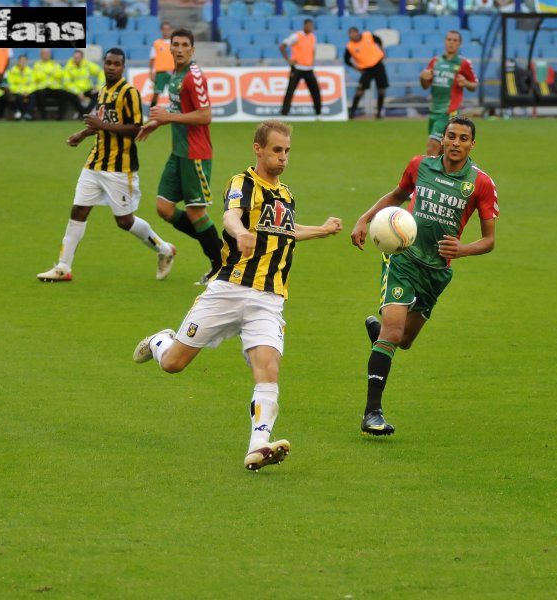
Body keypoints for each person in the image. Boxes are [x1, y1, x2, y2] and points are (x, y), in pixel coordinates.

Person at [133, 120, 343, 471]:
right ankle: (158, 341)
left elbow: (284, 231)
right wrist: (240, 232)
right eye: (276, 150)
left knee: (269, 370)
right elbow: (230, 216)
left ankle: (259, 444)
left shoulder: (286, 195)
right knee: (173, 364)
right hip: (229, 290)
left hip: (270, 299)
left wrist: (321, 230)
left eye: (287, 151)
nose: (283, 157)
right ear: (258, 148)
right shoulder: (242, 183)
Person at [349, 117, 498, 436]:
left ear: (473, 144)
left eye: (463, 138)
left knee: (403, 341)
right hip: (403, 260)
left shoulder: (481, 183)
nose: (456, 142)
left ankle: (380, 337)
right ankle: (372, 413)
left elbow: (489, 240)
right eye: (451, 136)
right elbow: (397, 195)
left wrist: (463, 249)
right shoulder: (420, 166)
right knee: (393, 331)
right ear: (442, 139)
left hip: (437, 272)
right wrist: (364, 219)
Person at [37, 48, 176, 283]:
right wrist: (83, 134)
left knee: (124, 221)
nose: (111, 67)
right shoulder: (103, 91)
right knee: (78, 210)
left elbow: (134, 128)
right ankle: (63, 267)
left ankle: (164, 249)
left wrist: (101, 125)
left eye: (116, 64)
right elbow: (102, 122)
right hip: (94, 163)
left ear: (123, 67)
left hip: (120, 168)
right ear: (104, 64)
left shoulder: (129, 92)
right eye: (108, 63)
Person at [137, 28, 222, 285]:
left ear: (192, 50)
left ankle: (220, 263)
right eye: (177, 44)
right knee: (164, 209)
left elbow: (205, 115)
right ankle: (218, 246)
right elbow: (178, 109)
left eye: (186, 44)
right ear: (170, 48)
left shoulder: (194, 77)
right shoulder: (175, 74)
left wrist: (168, 117)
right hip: (179, 153)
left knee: (196, 214)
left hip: (196, 154)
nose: (181, 49)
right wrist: (158, 123)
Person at [419, 30, 478, 157]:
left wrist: (466, 83)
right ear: (445, 41)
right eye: (449, 39)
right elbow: (425, 85)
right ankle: (448, 176)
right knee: (441, 151)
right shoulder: (435, 61)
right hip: (434, 110)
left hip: (449, 111)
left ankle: (426, 177)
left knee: (432, 148)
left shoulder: (464, 63)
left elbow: (474, 85)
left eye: (455, 40)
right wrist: (423, 78)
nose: (451, 43)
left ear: (459, 44)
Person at [279, 18, 322, 117]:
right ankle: (284, 112)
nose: (311, 27)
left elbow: (313, 51)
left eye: (312, 26)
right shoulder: (296, 36)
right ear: (305, 25)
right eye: (309, 25)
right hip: (297, 68)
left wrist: (312, 62)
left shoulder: (313, 37)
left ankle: (318, 112)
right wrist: (288, 60)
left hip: (308, 68)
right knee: (290, 90)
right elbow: (282, 46)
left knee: (315, 90)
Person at [344, 27, 388, 120]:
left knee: (381, 90)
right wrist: (356, 68)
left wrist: (382, 49)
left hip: (378, 65)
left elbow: (378, 39)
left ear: (357, 33)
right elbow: (346, 60)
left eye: (353, 33)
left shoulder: (367, 35)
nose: (352, 35)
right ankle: (352, 114)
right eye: (350, 34)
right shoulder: (350, 46)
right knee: (359, 91)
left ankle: (379, 113)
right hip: (366, 69)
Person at [63, 50, 104, 117]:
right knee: (69, 95)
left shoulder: (87, 64)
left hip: (87, 89)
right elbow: (66, 83)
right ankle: (82, 113)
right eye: (75, 58)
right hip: (75, 91)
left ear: (82, 58)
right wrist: (78, 92)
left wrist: (98, 87)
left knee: (98, 94)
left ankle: (85, 112)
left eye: (78, 58)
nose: (76, 59)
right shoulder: (68, 67)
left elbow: (101, 73)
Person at [32, 49, 67, 120]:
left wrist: (46, 74)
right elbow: (36, 76)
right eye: (44, 54)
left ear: (50, 55)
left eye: (47, 53)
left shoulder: (55, 64)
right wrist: (51, 74)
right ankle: (43, 116)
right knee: (38, 95)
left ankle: (60, 117)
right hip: (42, 88)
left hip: (54, 87)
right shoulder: (37, 65)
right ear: (41, 55)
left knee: (64, 94)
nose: (46, 55)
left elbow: (60, 74)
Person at [149, 21, 174, 108]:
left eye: (168, 29)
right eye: (164, 29)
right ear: (161, 30)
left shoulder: (175, 43)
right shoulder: (156, 43)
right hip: (160, 73)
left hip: (173, 72)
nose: (166, 31)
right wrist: (151, 72)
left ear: (171, 30)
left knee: (176, 93)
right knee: (156, 93)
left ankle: (178, 111)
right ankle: (151, 111)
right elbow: (152, 59)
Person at [7, 54, 34, 120]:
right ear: (18, 61)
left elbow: (33, 83)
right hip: (17, 92)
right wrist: (21, 92)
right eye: (21, 61)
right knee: (17, 97)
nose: (22, 62)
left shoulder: (30, 71)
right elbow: (10, 84)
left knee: (34, 96)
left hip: (27, 92)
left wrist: (28, 91)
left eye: (24, 61)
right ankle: (22, 114)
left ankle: (27, 114)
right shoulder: (12, 71)